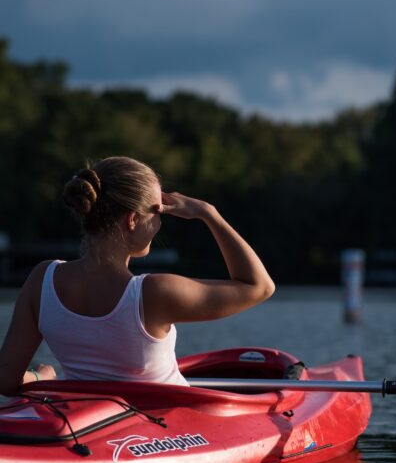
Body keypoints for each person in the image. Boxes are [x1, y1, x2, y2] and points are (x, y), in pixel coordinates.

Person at [0, 156, 275, 394]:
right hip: (165, 433)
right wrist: (209, 214)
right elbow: (259, 286)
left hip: (92, 428)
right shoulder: (154, 293)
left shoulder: (42, 279)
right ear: (132, 220)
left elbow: (6, 381)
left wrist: (40, 377)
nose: (159, 222)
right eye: (157, 211)